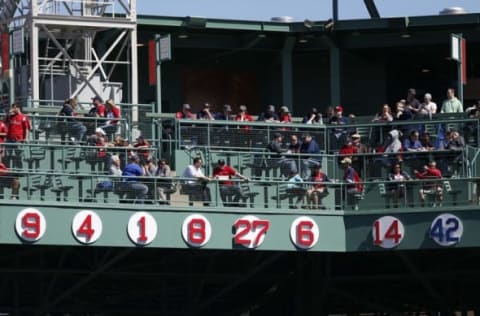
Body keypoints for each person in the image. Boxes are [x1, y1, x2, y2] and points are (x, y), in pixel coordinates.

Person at [4, 103, 31, 169]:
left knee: (18, 155)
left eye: (14, 108)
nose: (12, 109)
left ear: (18, 108)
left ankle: (19, 170)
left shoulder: (23, 117)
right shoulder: (11, 116)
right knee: (7, 155)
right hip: (9, 139)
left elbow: (27, 128)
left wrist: (26, 138)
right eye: (12, 108)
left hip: (18, 139)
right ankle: (7, 170)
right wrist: (8, 114)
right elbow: (4, 121)